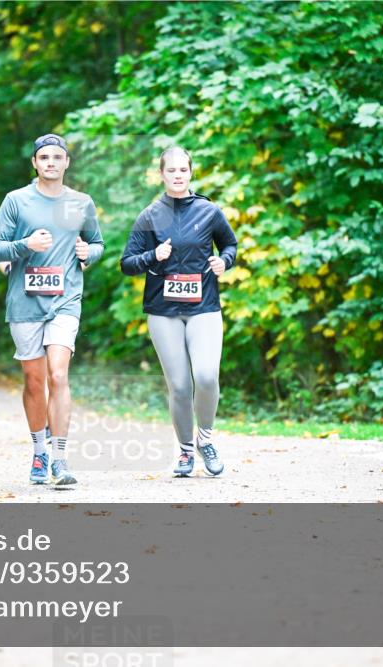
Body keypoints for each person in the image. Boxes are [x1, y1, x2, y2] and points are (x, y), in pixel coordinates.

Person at [0, 133, 104, 488]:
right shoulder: (16, 200)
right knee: (34, 380)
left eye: (57, 157)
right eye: (44, 157)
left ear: (66, 162)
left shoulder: (81, 203)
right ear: (35, 163)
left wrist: (88, 254)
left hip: (65, 300)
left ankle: (61, 458)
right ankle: (40, 450)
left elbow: (97, 243)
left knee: (58, 374)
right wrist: (26, 244)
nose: (51, 162)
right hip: (25, 303)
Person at [120, 146, 237, 477]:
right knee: (181, 387)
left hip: (203, 307)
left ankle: (205, 439)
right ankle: (185, 451)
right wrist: (153, 255)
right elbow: (127, 263)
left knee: (207, 376)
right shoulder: (149, 216)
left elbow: (230, 244)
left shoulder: (209, 211)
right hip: (163, 311)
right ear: (161, 174)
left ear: (191, 172)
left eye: (183, 170)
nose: (177, 175)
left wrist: (224, 261)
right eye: (171, 170)